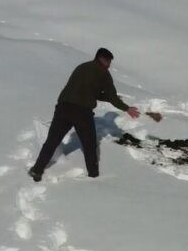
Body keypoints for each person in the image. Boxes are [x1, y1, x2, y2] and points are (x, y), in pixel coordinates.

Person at [29, 48, 160, 182]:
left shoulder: (82, 67)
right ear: (102, 59)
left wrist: (108, 97)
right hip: (81, 112)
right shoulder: (104, 74)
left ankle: (37, 169)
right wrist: (126, 108)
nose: (109, 64)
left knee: (52, 141)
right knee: (89, 145)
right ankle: (93, 176)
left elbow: (90, 91)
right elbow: (111, 97)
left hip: (63, 108)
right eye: (108, 61)